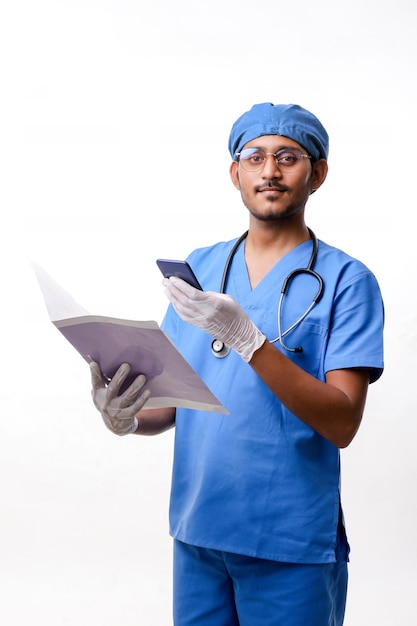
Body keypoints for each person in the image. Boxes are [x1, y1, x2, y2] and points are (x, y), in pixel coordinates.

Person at [90, 102, 384, 625]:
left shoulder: (347, 281)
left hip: (289, 543)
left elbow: (342, 422)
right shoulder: (201, 267)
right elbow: (174, 400)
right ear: (235, 172)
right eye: (254, 157)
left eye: (288, 157)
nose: (269, 171)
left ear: (317, 173)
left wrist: (248, 340)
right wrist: (127, 417)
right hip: (199, 531)